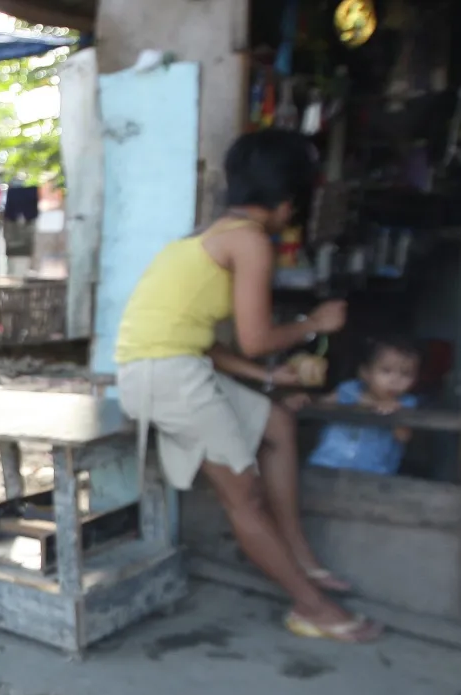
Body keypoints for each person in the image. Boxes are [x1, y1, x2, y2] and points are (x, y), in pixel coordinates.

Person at [115, 128, 381, 643]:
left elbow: (200, 341)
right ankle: (312, 607)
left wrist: (267, 378)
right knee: (246, 496)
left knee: (278, 421)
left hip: (167, 366)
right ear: (287, 204)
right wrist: (315, 323)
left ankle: (303, 561)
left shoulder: (202, 238)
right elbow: (256, 339)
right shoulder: (253, 241)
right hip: (163, 375)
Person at [309, 339, 421, 475]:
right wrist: (306, 399)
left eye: (406, 374)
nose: (395, 381)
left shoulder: (406, 403)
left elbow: (404, 436)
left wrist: (394, 414)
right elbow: (320, 405)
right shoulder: (348, 390)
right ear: (365, 373)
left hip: (373, 472)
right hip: (327, 463)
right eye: (386, 371)